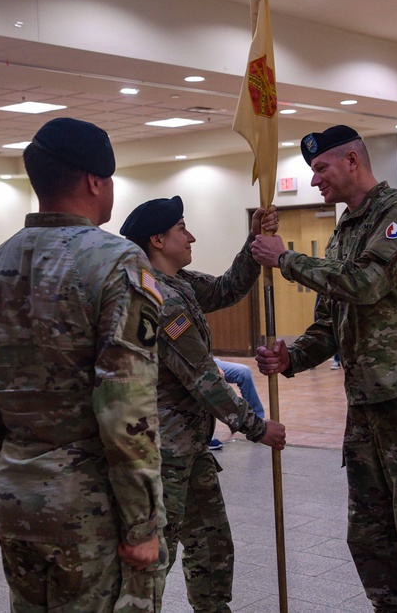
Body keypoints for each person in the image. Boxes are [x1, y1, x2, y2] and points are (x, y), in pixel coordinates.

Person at [0, 118, 165, 612]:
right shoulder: (117, 261)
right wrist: (141, 522)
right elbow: (125, 405)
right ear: (96, 181)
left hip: (17, 495)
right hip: (91, 506)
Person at [251, 125, 397, 613]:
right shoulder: (345, 229)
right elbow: (331, 322)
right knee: (370, 534)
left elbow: (366, 284)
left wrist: (287, 259)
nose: (315, 180)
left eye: (321, 168)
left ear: (353, 161)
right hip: (365, 404)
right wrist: (292, 357)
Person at [121, 195, 286, 612]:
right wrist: (255, 425)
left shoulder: (181, 283)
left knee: (212, 545)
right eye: (182, 229)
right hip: (164, 452)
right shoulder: (160, 299)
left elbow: (229, 287)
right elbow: (204, 379)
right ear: (157, 239)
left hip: (191, 449)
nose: (190, 235)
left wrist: (253, 244)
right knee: (156, 555)